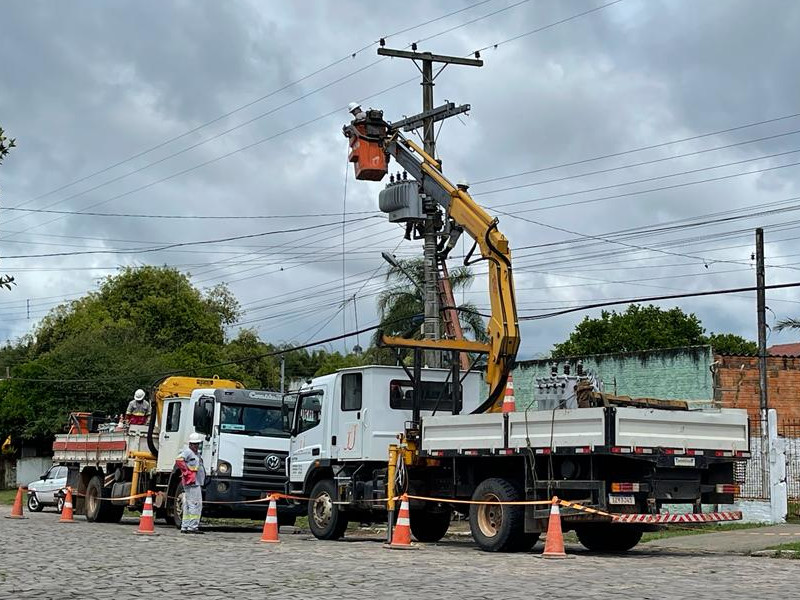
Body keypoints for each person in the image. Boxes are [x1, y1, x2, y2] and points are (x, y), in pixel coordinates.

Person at [175, 432, 206, 534]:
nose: (197, 446)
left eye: (198, 444)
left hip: (194, 482)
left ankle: (185, 526)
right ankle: (192, 526)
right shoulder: (188, 452)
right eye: (195, 444)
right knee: (195, 504)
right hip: (193, 482)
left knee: (188, 504)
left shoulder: (196, 454)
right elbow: (179, 460)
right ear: (190, 444)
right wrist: (186, 471)